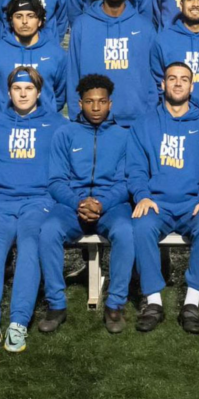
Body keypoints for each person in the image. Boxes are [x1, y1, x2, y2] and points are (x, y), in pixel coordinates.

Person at [127, 62, 199, 334]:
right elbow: (135, 169)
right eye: (172, 78)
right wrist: (142, 196)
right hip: (157, 203)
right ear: (163, 84)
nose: (178, 83)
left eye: (184, 79)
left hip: (191, 203)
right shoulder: (144, 124)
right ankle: (154, 302)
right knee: (142, 224)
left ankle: (191, 303)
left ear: (192, 86)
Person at [0, 67, 68, 354]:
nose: (23, 93)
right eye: (17, 88)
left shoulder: (55, 124)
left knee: (30, 244)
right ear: (9, 92)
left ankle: (18, 322)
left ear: (39, 92)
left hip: (37, 200)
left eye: (29, 89)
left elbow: (58, 173)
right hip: (1, 201)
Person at [38, 74, 134, 334]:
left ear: (110, 104)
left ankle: (115, 305)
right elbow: (56, 180)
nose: (95, 107)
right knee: (48, 231)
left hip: (111, 206)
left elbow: (126, 182)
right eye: (89, 101)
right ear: (79, 103)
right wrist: (78, 202)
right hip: (72, 205)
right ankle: (56, 304)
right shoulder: (65, 133)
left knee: (126, 231)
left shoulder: (124, 136)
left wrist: (101, 203)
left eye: (101, 101)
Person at [67, 0, 156, 128]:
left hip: (136, 120)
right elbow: (72, 73)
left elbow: (152, 75)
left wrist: (149, 111)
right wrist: (75, 115)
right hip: (92, 120)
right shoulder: (82, 25)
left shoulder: (144, 27)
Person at [0, 0, 67, 116]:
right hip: (5, 124)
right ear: (11, 21)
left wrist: (45, 115)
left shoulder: (56, 53)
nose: (24, 21)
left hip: (44, 125)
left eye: (31, 16)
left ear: (40, 21)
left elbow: (60, 95)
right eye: (19, 16)